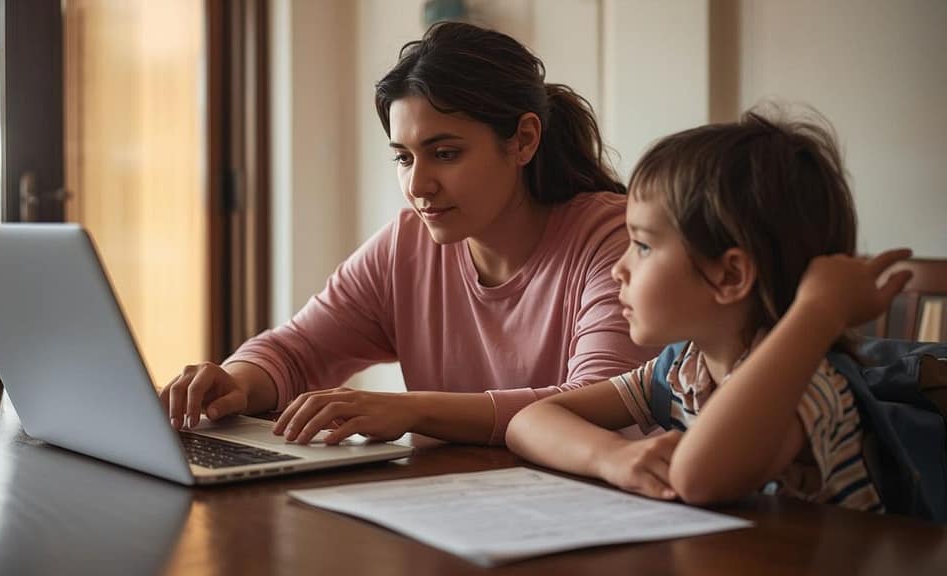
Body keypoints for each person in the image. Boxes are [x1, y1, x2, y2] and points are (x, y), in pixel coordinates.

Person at [159, 21, 655, 446]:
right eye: (403, 157)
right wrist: (235, 383)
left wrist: (414, 410)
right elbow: (297, 351)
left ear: (523, 140)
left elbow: (601, 402)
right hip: (456, 510)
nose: (417, 186)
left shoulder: (614, 236)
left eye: (445, 154)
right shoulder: (407, 244)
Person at [505, 108, 913, 512]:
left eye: (643, 246)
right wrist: (612, 456)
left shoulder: (803, 383)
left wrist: (819, 311)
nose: (619, 269)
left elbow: (698, 479)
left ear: (731, 275)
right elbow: (529, 422)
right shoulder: (681, 368)